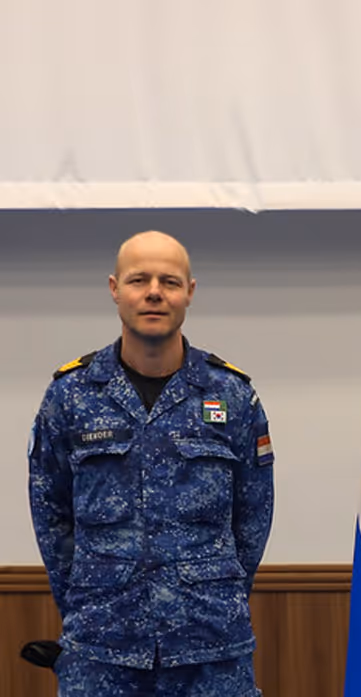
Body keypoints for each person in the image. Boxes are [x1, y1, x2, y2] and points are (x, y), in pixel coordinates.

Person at [28, 230, 275, 696]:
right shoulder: (70, 395)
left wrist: (210, 595)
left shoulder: (232, 395)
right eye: (139, 280)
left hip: (211, 649)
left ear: (190, 293)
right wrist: (92, 598)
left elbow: (253, 515)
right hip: (100, 648)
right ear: (114, 289)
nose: (155, 292)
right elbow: (51, 515)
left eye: (170, 281)